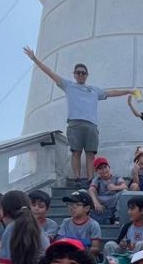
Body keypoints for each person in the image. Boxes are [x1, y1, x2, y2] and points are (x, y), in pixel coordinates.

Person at [23, 46, 135, 181]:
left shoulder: (94, 90)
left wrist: (129, 91)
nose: (81, 75)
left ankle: (90, 179)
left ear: (87, 75)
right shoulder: (68, 85)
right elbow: (50, 73)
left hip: (91, 125)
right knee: (75, 152)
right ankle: (76, 177)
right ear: (74, 74)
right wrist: (34, 58)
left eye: (83, 73)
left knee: (90, 154)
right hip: (75, 123)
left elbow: (111, 93)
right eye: (78, 73)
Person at [88, 156, 127, 224]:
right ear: (97, 171)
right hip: (101, 201)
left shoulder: (116, 177)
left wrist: (114, 187)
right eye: (100, 168)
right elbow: (91, 189)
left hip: (113, 200)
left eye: (105, 167)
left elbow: (125, 186)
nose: (104, 170)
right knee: (83, 192)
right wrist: (96, 202)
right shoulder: (97, 179)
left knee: (124, 192)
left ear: (109, 167)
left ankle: (117, 217)